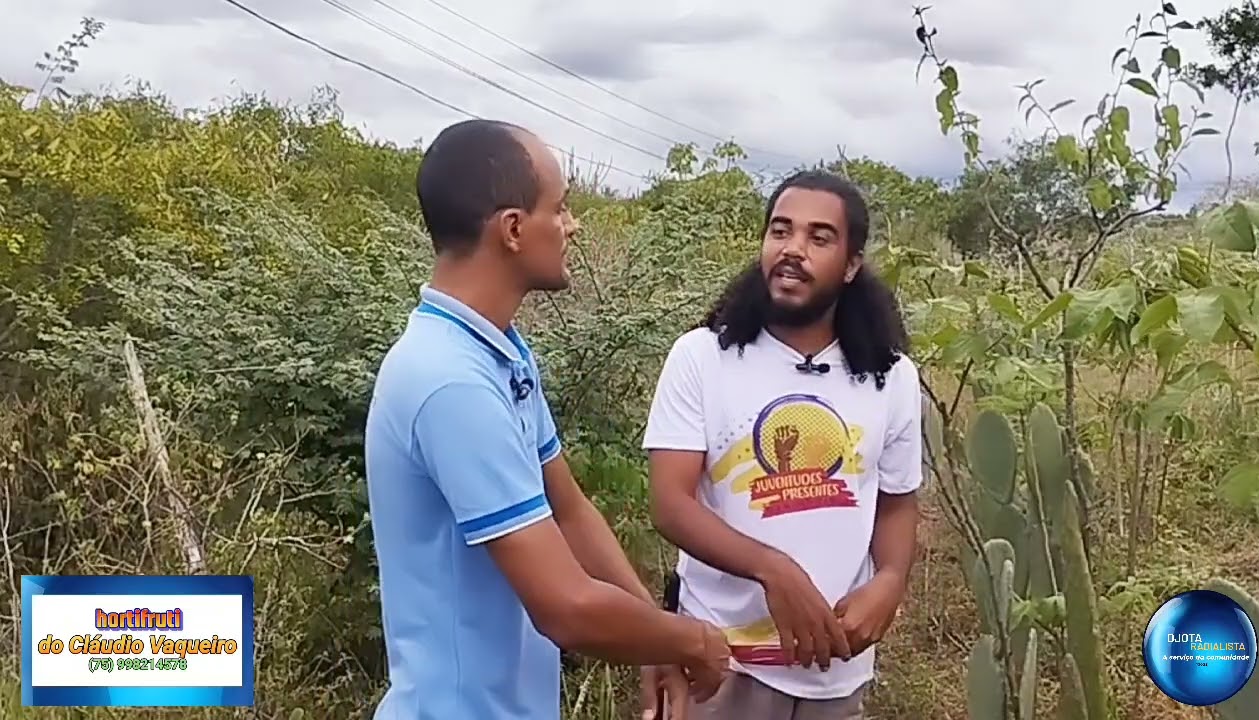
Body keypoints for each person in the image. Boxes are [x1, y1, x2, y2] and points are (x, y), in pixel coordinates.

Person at [364, 118, 730, 720]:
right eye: (559, 209)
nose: (572, 225)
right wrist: (690, 641)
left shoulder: (499, 353)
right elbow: (564, 607)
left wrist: (653, 638)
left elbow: (568, 510)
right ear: (512, 229)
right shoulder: (448, 381)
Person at [642, 169, 923, 719]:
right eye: (780, 231)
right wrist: (775, 570)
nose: (793, 249)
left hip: (836, 668)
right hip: (722, 664)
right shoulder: (703, 357)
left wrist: (889, 581)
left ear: (850, 265)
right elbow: (670, 505)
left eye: (819, 238)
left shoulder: (891, 375)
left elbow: (897, 502)